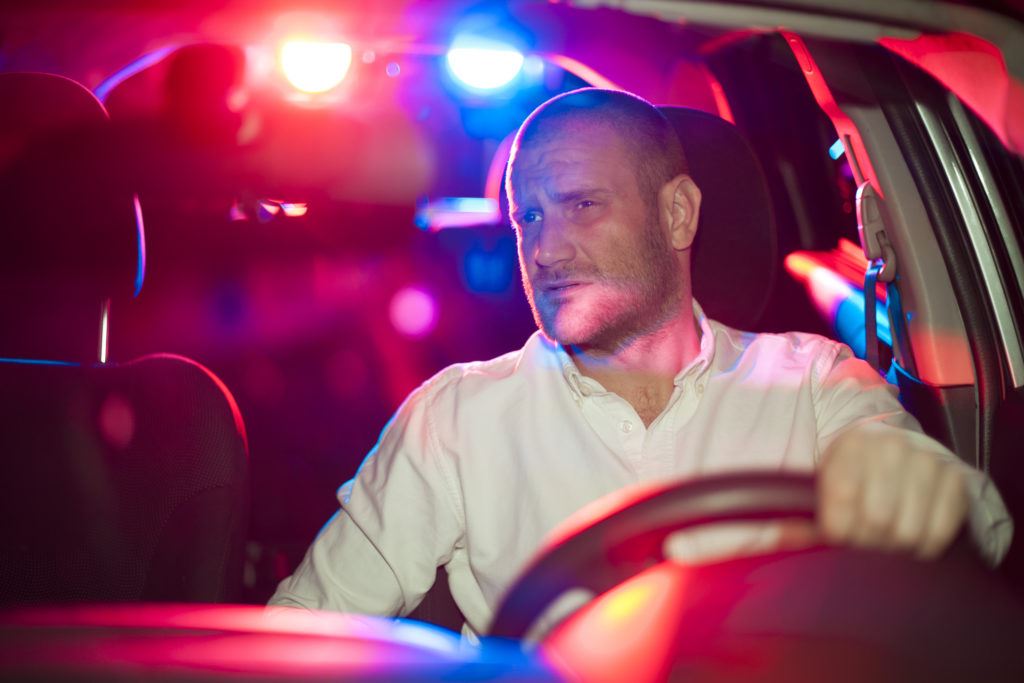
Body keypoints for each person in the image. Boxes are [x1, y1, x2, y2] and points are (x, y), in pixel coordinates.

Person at [269, 88, 1013, 636]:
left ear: (678, 213)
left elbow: (976, 530)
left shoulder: (812, 382)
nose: (545, 249)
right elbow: (302, 635)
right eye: (528, 215)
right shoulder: (458, 416)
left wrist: (916, 494)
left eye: (582, 204)